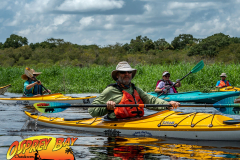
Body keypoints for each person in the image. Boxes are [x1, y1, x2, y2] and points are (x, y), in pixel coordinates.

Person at [88, 61, 180, 120]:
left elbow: (151, 100)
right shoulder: (110, 91)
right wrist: (107, 107)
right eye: (123, 72)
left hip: (136, 121)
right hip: (117, 125)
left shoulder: (136, 89)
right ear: (117, 75)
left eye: (129, 72)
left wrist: (167, 104)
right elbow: (92, 110)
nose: (127, 74)